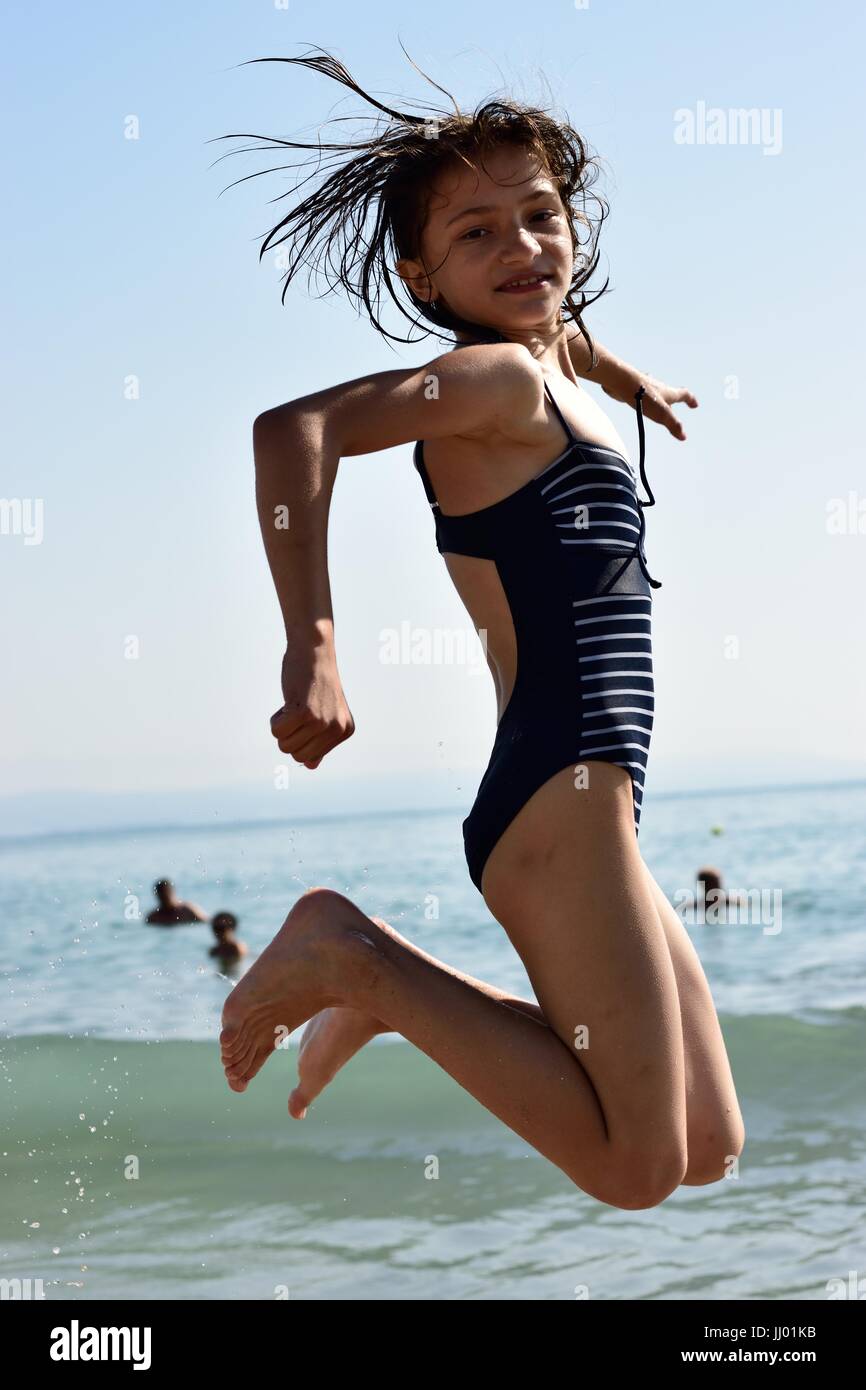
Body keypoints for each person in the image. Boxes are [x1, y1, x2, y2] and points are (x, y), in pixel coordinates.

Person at [215, 47, 744, 1208]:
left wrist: (629, 376)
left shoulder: (545, 365)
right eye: (475, 235)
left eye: (538, 217)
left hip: (597, 794)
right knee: (634, 1166)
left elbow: (567, 340)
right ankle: (350, 954)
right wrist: (314, 643)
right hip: (554, 791)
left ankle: (387, 993)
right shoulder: (494, 382)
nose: (520, 248)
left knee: (705, 1141)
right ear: (422, 276)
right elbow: (290, 429)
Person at [145, 878, 209, 926]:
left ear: (172, 892)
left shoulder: (188, 910)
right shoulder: (153, 917)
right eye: (161, 895)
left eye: (165, 894)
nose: (163, 897)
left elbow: (206, 922)